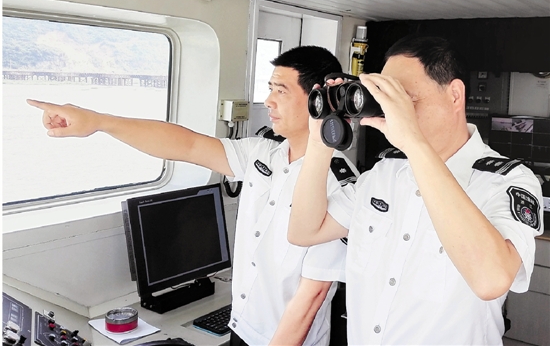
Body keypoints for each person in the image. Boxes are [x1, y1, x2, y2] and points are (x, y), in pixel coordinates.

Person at [27, 45, 358, 346]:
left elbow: (312, 297)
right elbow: (187, 145)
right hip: (241, 327)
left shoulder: (339, 183)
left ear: (319, 101)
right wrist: (99, 122)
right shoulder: (263, 152)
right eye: (270, 88)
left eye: (281, 91)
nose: (269, 101)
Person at [288, 35, 544, 345]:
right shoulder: (384, 173)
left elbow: (491, 280)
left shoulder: (506, 180)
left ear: (455, 95)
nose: (394, 111)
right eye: (386, 98)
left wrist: (413, 141)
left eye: (405, 98)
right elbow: (304, 230)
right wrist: (319, 142)